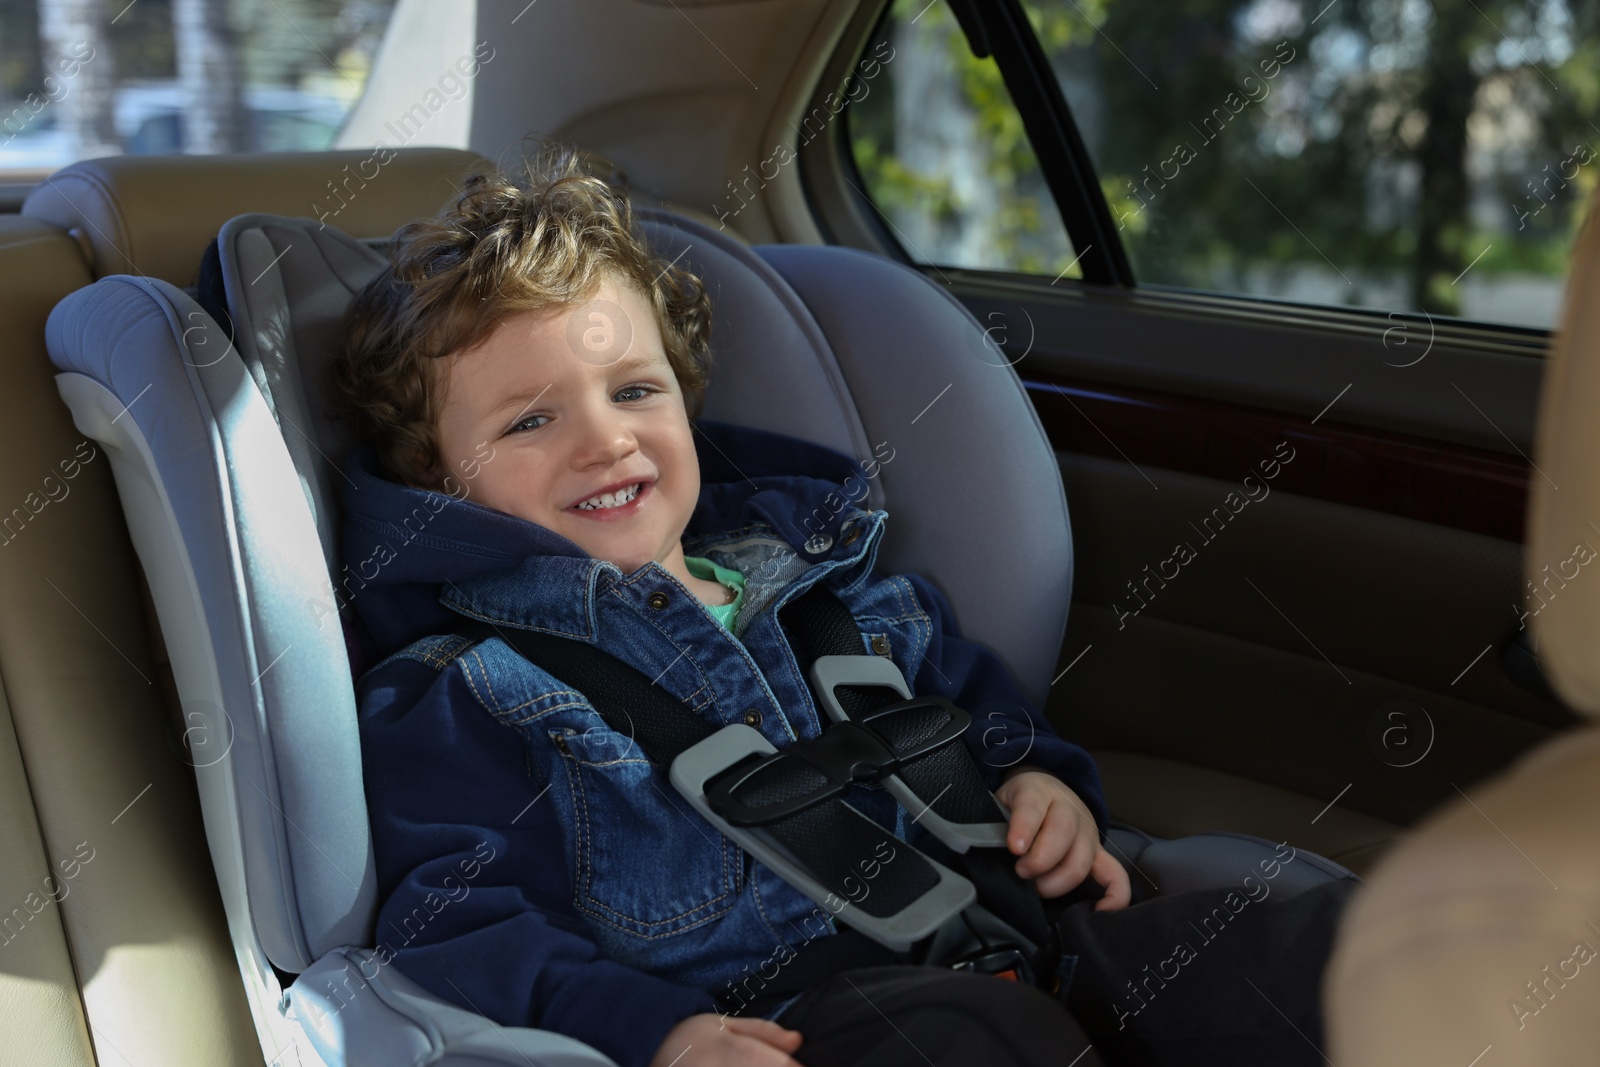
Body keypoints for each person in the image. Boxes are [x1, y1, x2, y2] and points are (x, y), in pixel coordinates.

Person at [325, 143, 1354, 1067]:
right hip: (804, 1014)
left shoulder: (824, 576)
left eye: (635, 390)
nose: (605, 440)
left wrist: (1048, 782)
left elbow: (980, 710)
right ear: (435, 478)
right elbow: (463, 919)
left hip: (1036, 937)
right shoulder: (469, 690)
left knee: (1325, 947)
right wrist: (656, 1033)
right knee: (979, 1039)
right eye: (533, 418)